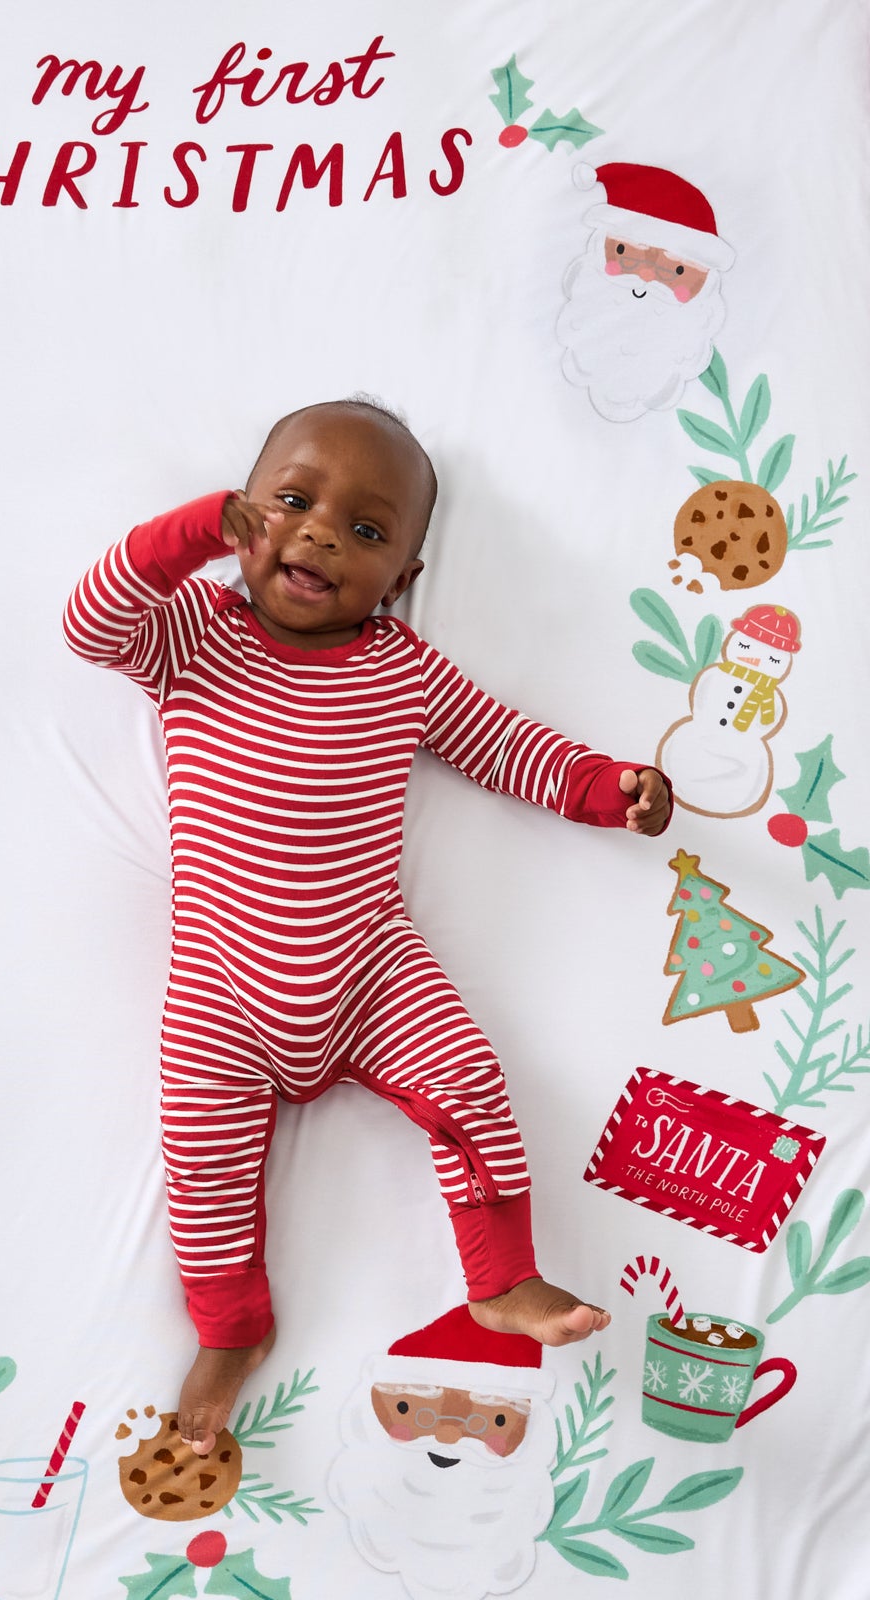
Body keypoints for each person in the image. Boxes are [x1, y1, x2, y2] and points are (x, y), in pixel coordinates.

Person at [62, 398, 671, 1455]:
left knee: (472, 1082)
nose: (320, 534)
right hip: (220, 986)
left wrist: (607, 789)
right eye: (291, 502)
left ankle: (500, 1278)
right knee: (199, 1161)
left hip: (370, 972)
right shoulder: (194, 634)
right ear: (247, 517)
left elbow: (506, 747)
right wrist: (197, 530)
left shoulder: (402, 668)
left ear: (402, 582)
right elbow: (90, 622)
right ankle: (231, 1328)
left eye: (368, 531)